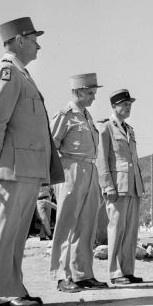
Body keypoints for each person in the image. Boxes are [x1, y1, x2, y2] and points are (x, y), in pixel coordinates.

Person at [0, 16, 64, 306]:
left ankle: (12, 288)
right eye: (33, 39)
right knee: (8, 233)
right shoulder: (8, 72)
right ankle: (4, 292)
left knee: (17, 234)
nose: (38, 45)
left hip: (26, 167)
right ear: (19, 41)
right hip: (14, 167)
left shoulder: (21, 74)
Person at [50, 73, 108, 292]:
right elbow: (52, 147)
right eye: (91, 93)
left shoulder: (86, 116)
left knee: (87, 225)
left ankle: (83, 274)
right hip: (70, 170)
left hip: (90, 170)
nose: (94, 97)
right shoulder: (65, 116)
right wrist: (56, 179)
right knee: (66, 225)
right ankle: (61, 276)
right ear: (78, 91)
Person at [97, 89, 145, 285]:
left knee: (131, 230)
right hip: (117, 186)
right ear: (114, 106)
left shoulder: (129, 129)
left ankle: (127, 270)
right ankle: (115, 273)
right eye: (124, 104)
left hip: (133, 186)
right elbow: (102, 160)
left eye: (130, 104)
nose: (128, 107)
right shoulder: (106, 128)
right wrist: (107, 186)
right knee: (116, 228)